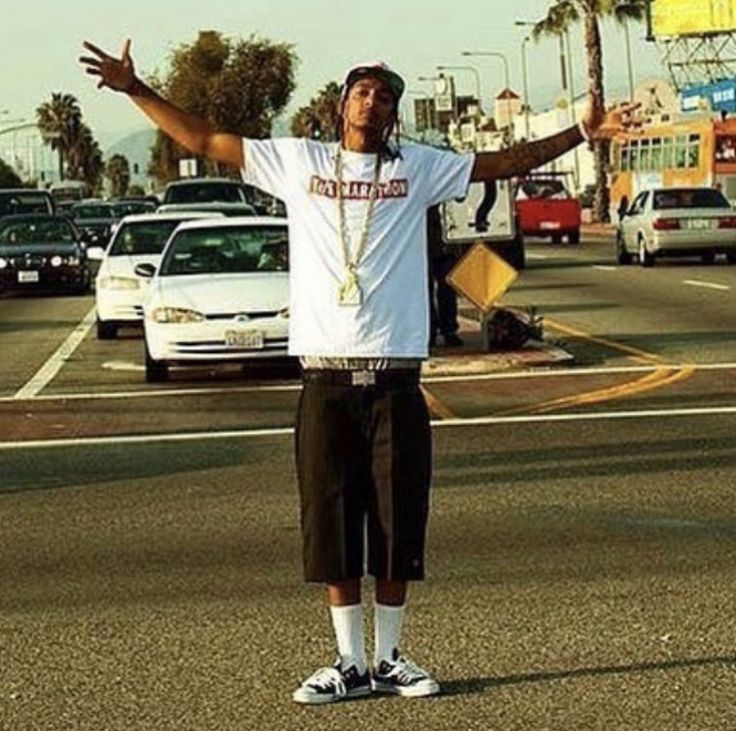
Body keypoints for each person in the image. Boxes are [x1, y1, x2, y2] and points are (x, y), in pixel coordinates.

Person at [79, 39, 637, 706]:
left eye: (387, 96)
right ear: (342, 104)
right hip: (326, 378)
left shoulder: (420, 169)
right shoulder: (298, 162)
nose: (375, 102)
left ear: (394, 116)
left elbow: (502, 162)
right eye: (364, 91)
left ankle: (391, 655)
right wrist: (136, 89)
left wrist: (581, 131)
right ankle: (347, 660)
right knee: (331, 516)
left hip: (396, 378)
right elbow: (204, 138)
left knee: (399, 520)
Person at [427, 205, 462, 347]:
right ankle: (431, 331)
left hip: (445, 243)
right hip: (425, 241)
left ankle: (449, 330)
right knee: (425, 290)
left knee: (447, 287)